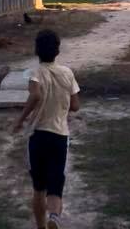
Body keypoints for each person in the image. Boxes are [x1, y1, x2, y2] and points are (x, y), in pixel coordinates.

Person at [13, 30, 81, 229]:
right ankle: (54, 217)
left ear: (37, 51)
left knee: (38, 187)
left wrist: (20, 119)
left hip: (38, 135)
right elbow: (76, 106)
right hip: (59, 136)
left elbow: (34, 96)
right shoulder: (67, 73)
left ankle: (41, 226)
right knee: (56, 185)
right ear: (57, 51)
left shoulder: (35, 73)